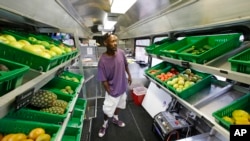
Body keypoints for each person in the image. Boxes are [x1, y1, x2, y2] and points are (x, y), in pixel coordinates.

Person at [97, 32, 132, 138]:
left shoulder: (121, 53)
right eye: (112, 41)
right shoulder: (102, 61)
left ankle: (115, 119)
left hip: (122, 88)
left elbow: (125, 65)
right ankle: (104, 124)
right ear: (105, 43)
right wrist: (110, 92)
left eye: (116, 41)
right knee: (108, 110)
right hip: (112, 90)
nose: (115, 43)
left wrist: (129, 75)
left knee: (120, 105)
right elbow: (103, 80)